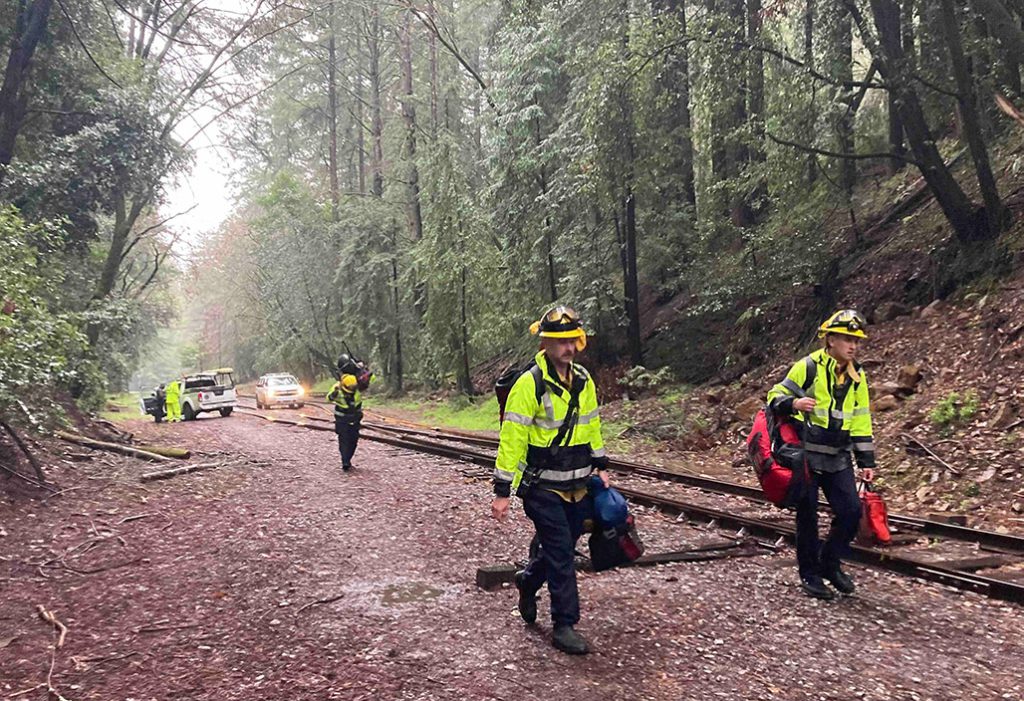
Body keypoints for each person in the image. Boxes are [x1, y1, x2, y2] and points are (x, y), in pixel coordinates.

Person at [491, 305, 610, 655]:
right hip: (543, 488)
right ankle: (564, 624)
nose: (568, 348)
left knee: (559, 549)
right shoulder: (530, 384)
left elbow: (591, 424)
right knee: (561, 554)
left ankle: (527, 582)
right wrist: (502, 490)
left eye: (572, 340)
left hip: (577, 485)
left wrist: (601, 464)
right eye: (560, 342)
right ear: (545, 343)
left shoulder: (584, 380)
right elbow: (512, 437)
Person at [767, 309, 876, 600]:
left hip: (838, 454)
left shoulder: (857, 374)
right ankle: (810, 574)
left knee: (851, 511)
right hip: (807, 453)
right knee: (808, 516)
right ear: (830, 339)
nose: (853, 345)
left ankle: (830, 563)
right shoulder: (809, 366)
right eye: (846, 339)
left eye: (856, 340)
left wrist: (866, 461)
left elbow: (861, 418)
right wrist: (793, 403)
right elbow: (774, 396)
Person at [327, 354, 367, 471]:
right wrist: (361, 368)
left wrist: (361, 367)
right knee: (348, 440)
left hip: (349, 418)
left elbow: (370, 377)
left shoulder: (354, 386)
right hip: (347, 418)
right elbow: (329, 397)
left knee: (349, 440)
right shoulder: (342, 388)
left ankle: (346, 460)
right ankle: (346, 460)